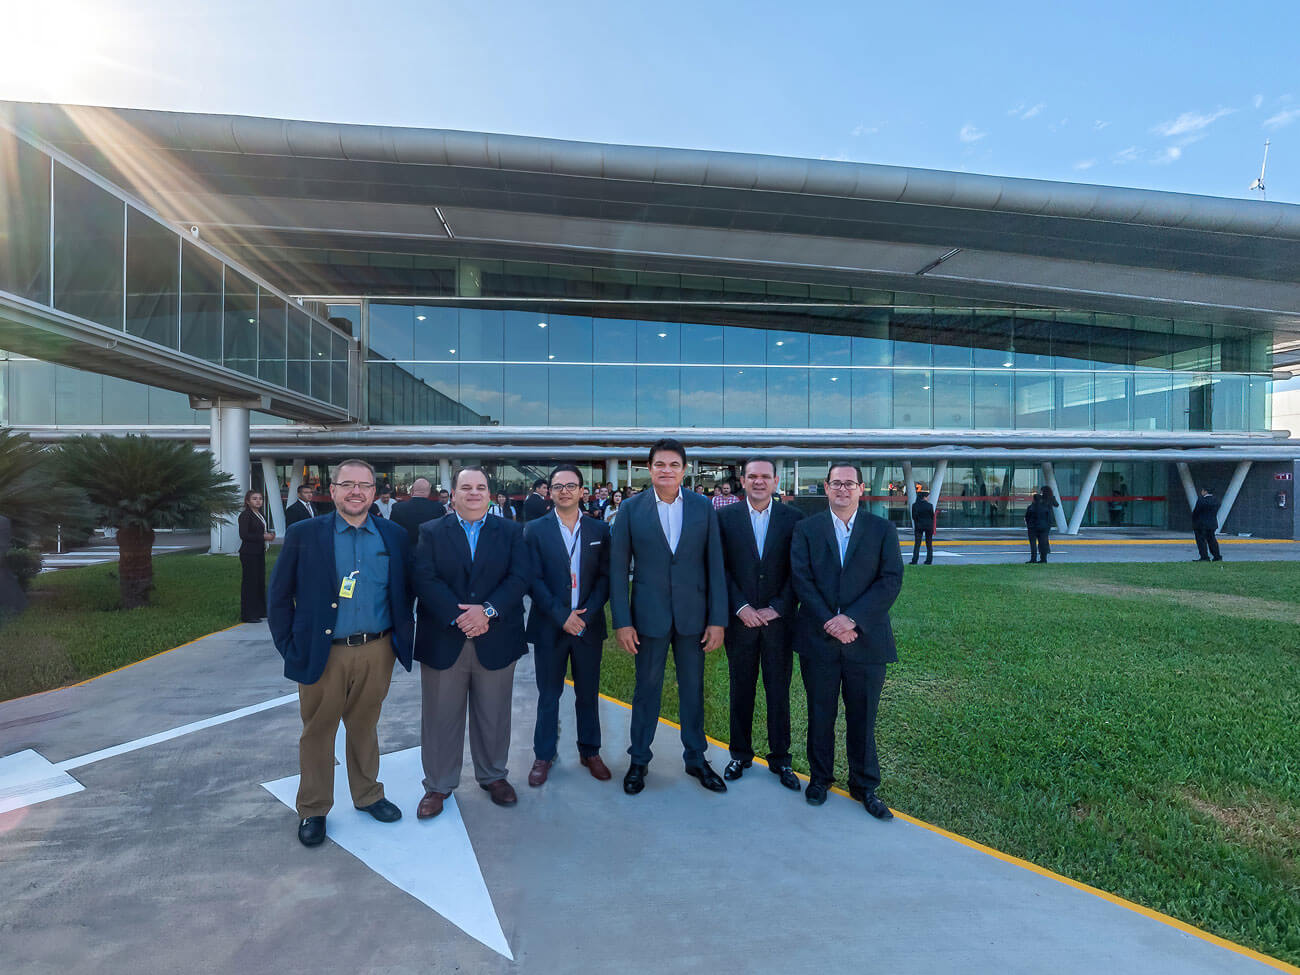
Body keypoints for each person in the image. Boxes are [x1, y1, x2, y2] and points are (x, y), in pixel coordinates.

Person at [267, 459, 415, 847]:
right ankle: (314, 808)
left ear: (374, 492)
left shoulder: (394, 535)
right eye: (347, 484)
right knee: (318, 731)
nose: (356, 492)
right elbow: (279, 596)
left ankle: (368, 795)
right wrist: (289, 647)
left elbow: (407, 590)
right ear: (331, 491)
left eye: (364, 485)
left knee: (365, 726)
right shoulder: (304, 534)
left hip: (377, 650)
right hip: (324, 652)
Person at [610, 438, 728, 795]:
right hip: (648, 617)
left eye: (674, 465)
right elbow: (618, 570)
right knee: (646, 689)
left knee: (693, 689)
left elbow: (715, 566)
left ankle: (696, 758)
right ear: (649, 469)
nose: (667, 470)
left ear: (684, 470)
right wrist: (622, 621)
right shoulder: (630, 509)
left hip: (694, 618)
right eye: (660, 464)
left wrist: (718, 619)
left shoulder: (702, 506)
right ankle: (639, 760)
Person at [412, 466, 531, 819]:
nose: (474, 493)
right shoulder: (431, 531)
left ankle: (493, 776)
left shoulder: (511, 532)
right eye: (466, 487)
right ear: (453, 494)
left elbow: (520, 576)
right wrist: (460, 616)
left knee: (494, 714)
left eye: (481, 487)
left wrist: (487, 612)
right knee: (440, 716)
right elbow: (424, 578)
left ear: (489, 495)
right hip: (444, 637)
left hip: (496, 637)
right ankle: (438, 784)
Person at [790, 462, 903, 821]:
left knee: (863, 717)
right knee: (820, 713)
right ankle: (820, 778)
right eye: (836, 483)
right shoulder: (806, 529)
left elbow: (890, 579)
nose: (842, 489)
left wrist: (852, 619)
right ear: (825, 487)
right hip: (818, 638)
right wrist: (831, 621)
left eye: (849, 483)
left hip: (866, 640)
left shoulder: (882, 529)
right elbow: (801, 578)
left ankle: (864, 785)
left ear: (861, 489)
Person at [717, 457, 804, 791]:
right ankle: (739, 754)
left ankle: (781, 759)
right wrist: (740, 607)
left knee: (778, 692)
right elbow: (720, 568)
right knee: (741, 689)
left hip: (779, 625)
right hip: (740, 623)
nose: (758, 481)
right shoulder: (724, 518)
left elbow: (799, 570)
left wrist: (778, 608)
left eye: (765, 476)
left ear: (776, 481)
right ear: (742, 480)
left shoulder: (794, 519)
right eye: (752, 476)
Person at [523, 464, 612, 786]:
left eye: (571, 485)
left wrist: (584, 616)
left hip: (588, 626)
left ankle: (590, 751)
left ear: (582, 491)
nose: (564, 491)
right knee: (548, 695)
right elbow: (531, 578)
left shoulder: (600, 530)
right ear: (549, 492)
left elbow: (606, 577)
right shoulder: (534, 530)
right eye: (558, 486)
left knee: (588, 693)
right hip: (551, 625)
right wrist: (562, 615)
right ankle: (544, 755)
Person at [238, 489, 275, 622]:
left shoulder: (260, 514)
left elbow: (261, 530)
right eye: (254, 499)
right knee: (250, 583)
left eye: (260, 498)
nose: (258, 501)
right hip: (249, 553)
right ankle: (249, 614)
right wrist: (263, 536)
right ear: (248, 501)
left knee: (259, 582)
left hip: (259, 552)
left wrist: (269, 535)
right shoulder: (245, 515)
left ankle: (260, 611)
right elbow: (244, 535)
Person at [388, 477, 446, 547]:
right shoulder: (438, 508)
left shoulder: (397, 508)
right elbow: (442, 533)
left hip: (405, 550)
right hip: (430, 550)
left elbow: (391, 531)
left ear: (412, 490)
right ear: (429, 491)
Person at [1024, 486, 1058, 563]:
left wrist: (1029, 525)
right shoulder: (1046, 506)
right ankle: (1043, 558)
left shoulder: (1031, 507)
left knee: (1033, 544)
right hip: (1044, 526)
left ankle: (1033, 558)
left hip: (1033, 527)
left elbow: (1027, 517)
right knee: (1043, 542)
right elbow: (1054, 507)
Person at [1192, 486, 1223, 561]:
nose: (1201, 492)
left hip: (1201, 524)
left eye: (1202, 490)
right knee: (1212, 540)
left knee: (1201, 541)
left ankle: (1204, 557)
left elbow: (1196, 512)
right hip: (1212, 523)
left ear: (1205, 491)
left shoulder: (1201, 500)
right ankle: (1217, 556)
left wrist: (1194, 520)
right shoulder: (1216, 500)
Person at [910, 487, 935, 565]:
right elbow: (932, 516)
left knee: (917, 544)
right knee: (929, 544)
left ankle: (914, 560)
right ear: (924, 497)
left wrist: (918, 521)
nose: (928, 498)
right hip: (928, 526)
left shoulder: (914, 505)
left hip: (919, 526)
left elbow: (914, 517)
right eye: (927, 497)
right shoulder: (930, 505)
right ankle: (929, 560)